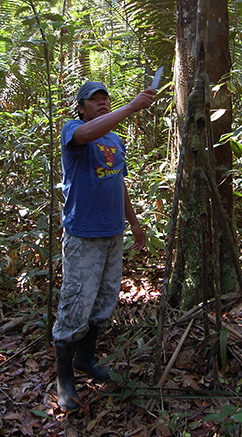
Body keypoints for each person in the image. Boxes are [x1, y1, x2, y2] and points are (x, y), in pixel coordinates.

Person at [53, 81, 155, 412]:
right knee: (75, 303)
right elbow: (84, 136)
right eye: (93, 100)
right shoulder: (73, 130)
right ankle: (64, 379)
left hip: (113, 233)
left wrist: (134, 222)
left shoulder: (114, 139)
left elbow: (117, 181)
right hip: (84, 234)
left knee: (105, 299)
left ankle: (86, 360)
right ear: (80, 107)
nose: (101, 103)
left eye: (104, 99)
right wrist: (131, 107)